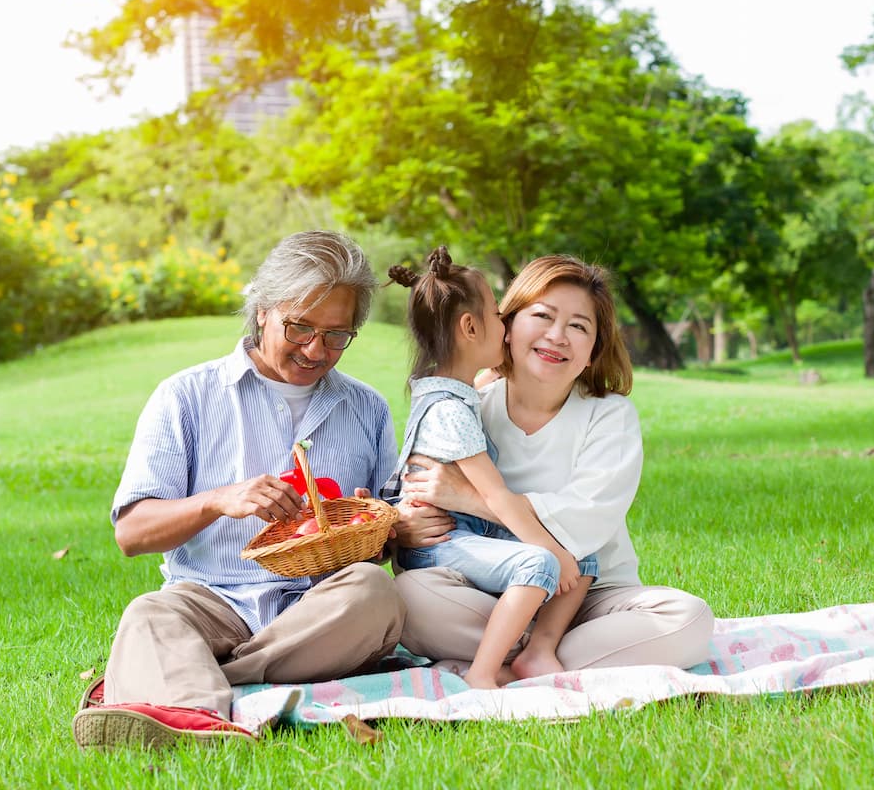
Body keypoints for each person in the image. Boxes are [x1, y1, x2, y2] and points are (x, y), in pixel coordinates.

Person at [72, 230, 404, 749]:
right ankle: (206, 691)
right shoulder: (186, 395)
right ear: (263, 310)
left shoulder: (368, 408)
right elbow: (133, 534)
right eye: (300, 328)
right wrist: (215, 500)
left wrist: (377, 521)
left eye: (337, 335)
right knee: (151, 613)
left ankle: (194, 692)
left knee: (375, 592)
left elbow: (390, 541)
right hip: (212, 602)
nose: (317, 350)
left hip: (319, 613)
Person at [390, 255, 714, 674]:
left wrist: (470, 498)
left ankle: (510, 657)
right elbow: (419, 496)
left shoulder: (609, 415)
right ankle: (530, 657)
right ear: (507, 324)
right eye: (542, 316)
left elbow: (584, 524)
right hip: (491, 590)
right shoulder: (469, 409)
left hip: (588, 600)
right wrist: (407, 524)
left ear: (593, 351)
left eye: (579, 326)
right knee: (411, 595)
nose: (558, 336)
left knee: (688, 618)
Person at [382, 247, 598, 689]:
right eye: (499, 318)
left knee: (581, 553)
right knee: (541, 562)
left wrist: (564, 551)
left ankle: (536, 652)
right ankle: (483, 673)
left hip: (465, 530)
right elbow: (496, 496)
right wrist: (551, 553)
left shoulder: (459, 390)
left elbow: (482, 380)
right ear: (469, 328)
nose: (506, 330)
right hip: (439, 542)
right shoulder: (449, 409)